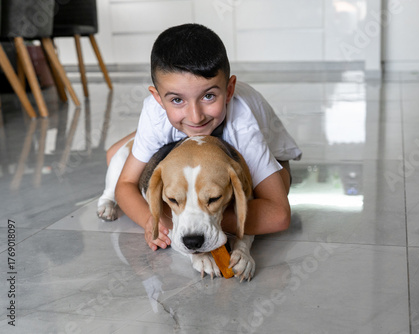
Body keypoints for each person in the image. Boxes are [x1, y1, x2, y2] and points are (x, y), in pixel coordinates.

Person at [108, 23, 302, 251]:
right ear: (158, 99)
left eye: (208, 96)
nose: (195, 115)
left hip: (269, 146)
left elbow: (279, 215)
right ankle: (148, 134)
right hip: (195, 130)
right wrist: (151, 218)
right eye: (177, 100)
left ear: (229, 91)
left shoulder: (242, 125)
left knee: (276, 186)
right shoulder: (155, 112)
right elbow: (125, 185)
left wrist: (200, 218)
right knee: (113, 155)